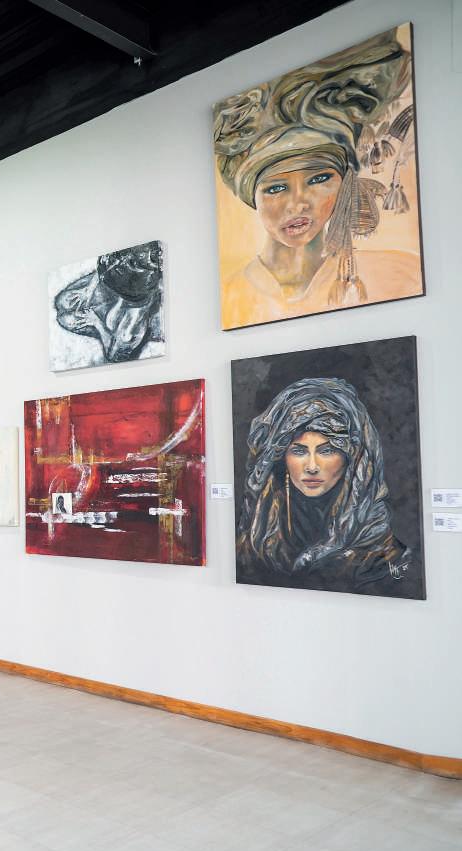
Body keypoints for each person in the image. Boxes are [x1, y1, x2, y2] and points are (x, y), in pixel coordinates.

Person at [213, 26, 421, 329]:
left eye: (318, 179)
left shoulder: (401, 274)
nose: (298, 204)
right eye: (277, 187)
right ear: (251, 196)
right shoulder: (229, 296)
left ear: (344, 182)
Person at [236, 377, 412, 594]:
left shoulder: (383, 554)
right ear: (281, 458)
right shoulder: (254, 541)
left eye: (327, 450)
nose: (312, 467)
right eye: (299, 451)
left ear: (352, 458)